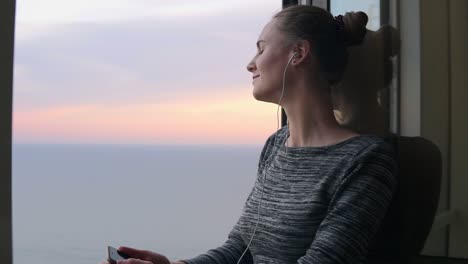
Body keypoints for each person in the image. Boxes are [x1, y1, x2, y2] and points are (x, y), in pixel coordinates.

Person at [102, 5, 397, 264]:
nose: (250, 63)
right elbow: (241, 247)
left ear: (299, 53)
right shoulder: (276, 145)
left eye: (261, 48)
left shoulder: (366, 159)